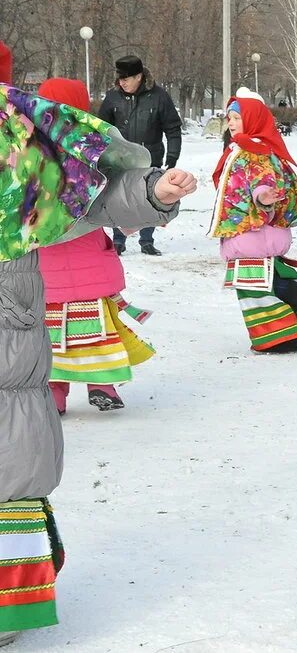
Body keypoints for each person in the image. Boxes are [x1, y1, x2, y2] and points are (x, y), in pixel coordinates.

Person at [1, 42, 195, 646]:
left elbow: (94, 188)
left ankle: (9, 602)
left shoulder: (22, 139)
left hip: (7, 333)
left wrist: (153, 193)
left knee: (9, 462)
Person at [36, 78, 156, 414]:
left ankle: (54, 393)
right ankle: (102, 384)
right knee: (95, 330)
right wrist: (132, 222)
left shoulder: (28, 153)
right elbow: (119, 203)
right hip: (91, 261)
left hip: (45, 269)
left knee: (51, 337)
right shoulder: (95, 151)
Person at [211, 88, 297, 351]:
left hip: (252, 232)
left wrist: (263, 198)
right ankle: (294, 329)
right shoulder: (245, 149)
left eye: (236, 117)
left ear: (253, 119)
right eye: (229, 118)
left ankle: (281, 339)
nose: (230, 123)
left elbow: (262, 181)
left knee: (255, 287)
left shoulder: (255, 152)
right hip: (249, 232)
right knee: (269, 280)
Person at [97, 55, 183, 256]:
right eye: (120, 79)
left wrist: (172, 155)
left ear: (139, 77)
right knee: (117, 198)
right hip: (119, 159)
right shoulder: (112, 97)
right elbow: (100, 128)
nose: (122, 83)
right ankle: (118, 240)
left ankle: (147, 240)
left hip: (150, 157)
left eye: (126, 78)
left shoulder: (159, 97)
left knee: (148, 197)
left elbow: (172, 128)